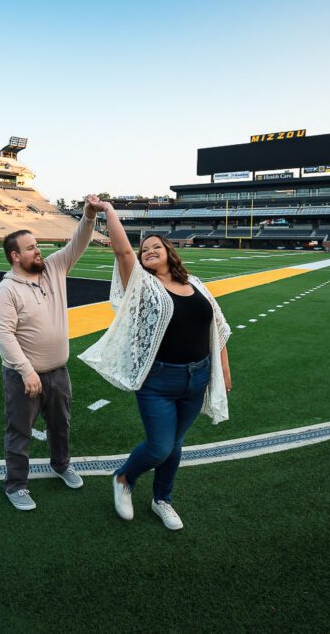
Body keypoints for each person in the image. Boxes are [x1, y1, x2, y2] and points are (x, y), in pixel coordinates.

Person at [79, 199, 231, 530]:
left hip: (198, 377)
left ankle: (162, 499)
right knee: (160, 445)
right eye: (144, 248)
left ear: (168, 252)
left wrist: (223, 370)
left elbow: (216, 328)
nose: (148, 250)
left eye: (155, 246)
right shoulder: (144, 286)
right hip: (159, 381)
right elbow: (122, 253)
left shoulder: (196, 284)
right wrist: (107, 210)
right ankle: (123, 478)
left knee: (174, 445)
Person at [0, 196, 102, 511]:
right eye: (30, 247)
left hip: (58, 372)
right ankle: (16, 485)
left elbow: (77, 244)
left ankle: (61, 464)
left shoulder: (53, 268)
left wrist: (88, 217)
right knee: (20, 431)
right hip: (24, 377)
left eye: (37, 245)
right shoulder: (6, 290)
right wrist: (26, 371)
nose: (38, 250)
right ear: (15, 256)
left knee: (61, 425)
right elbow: (4, 335)